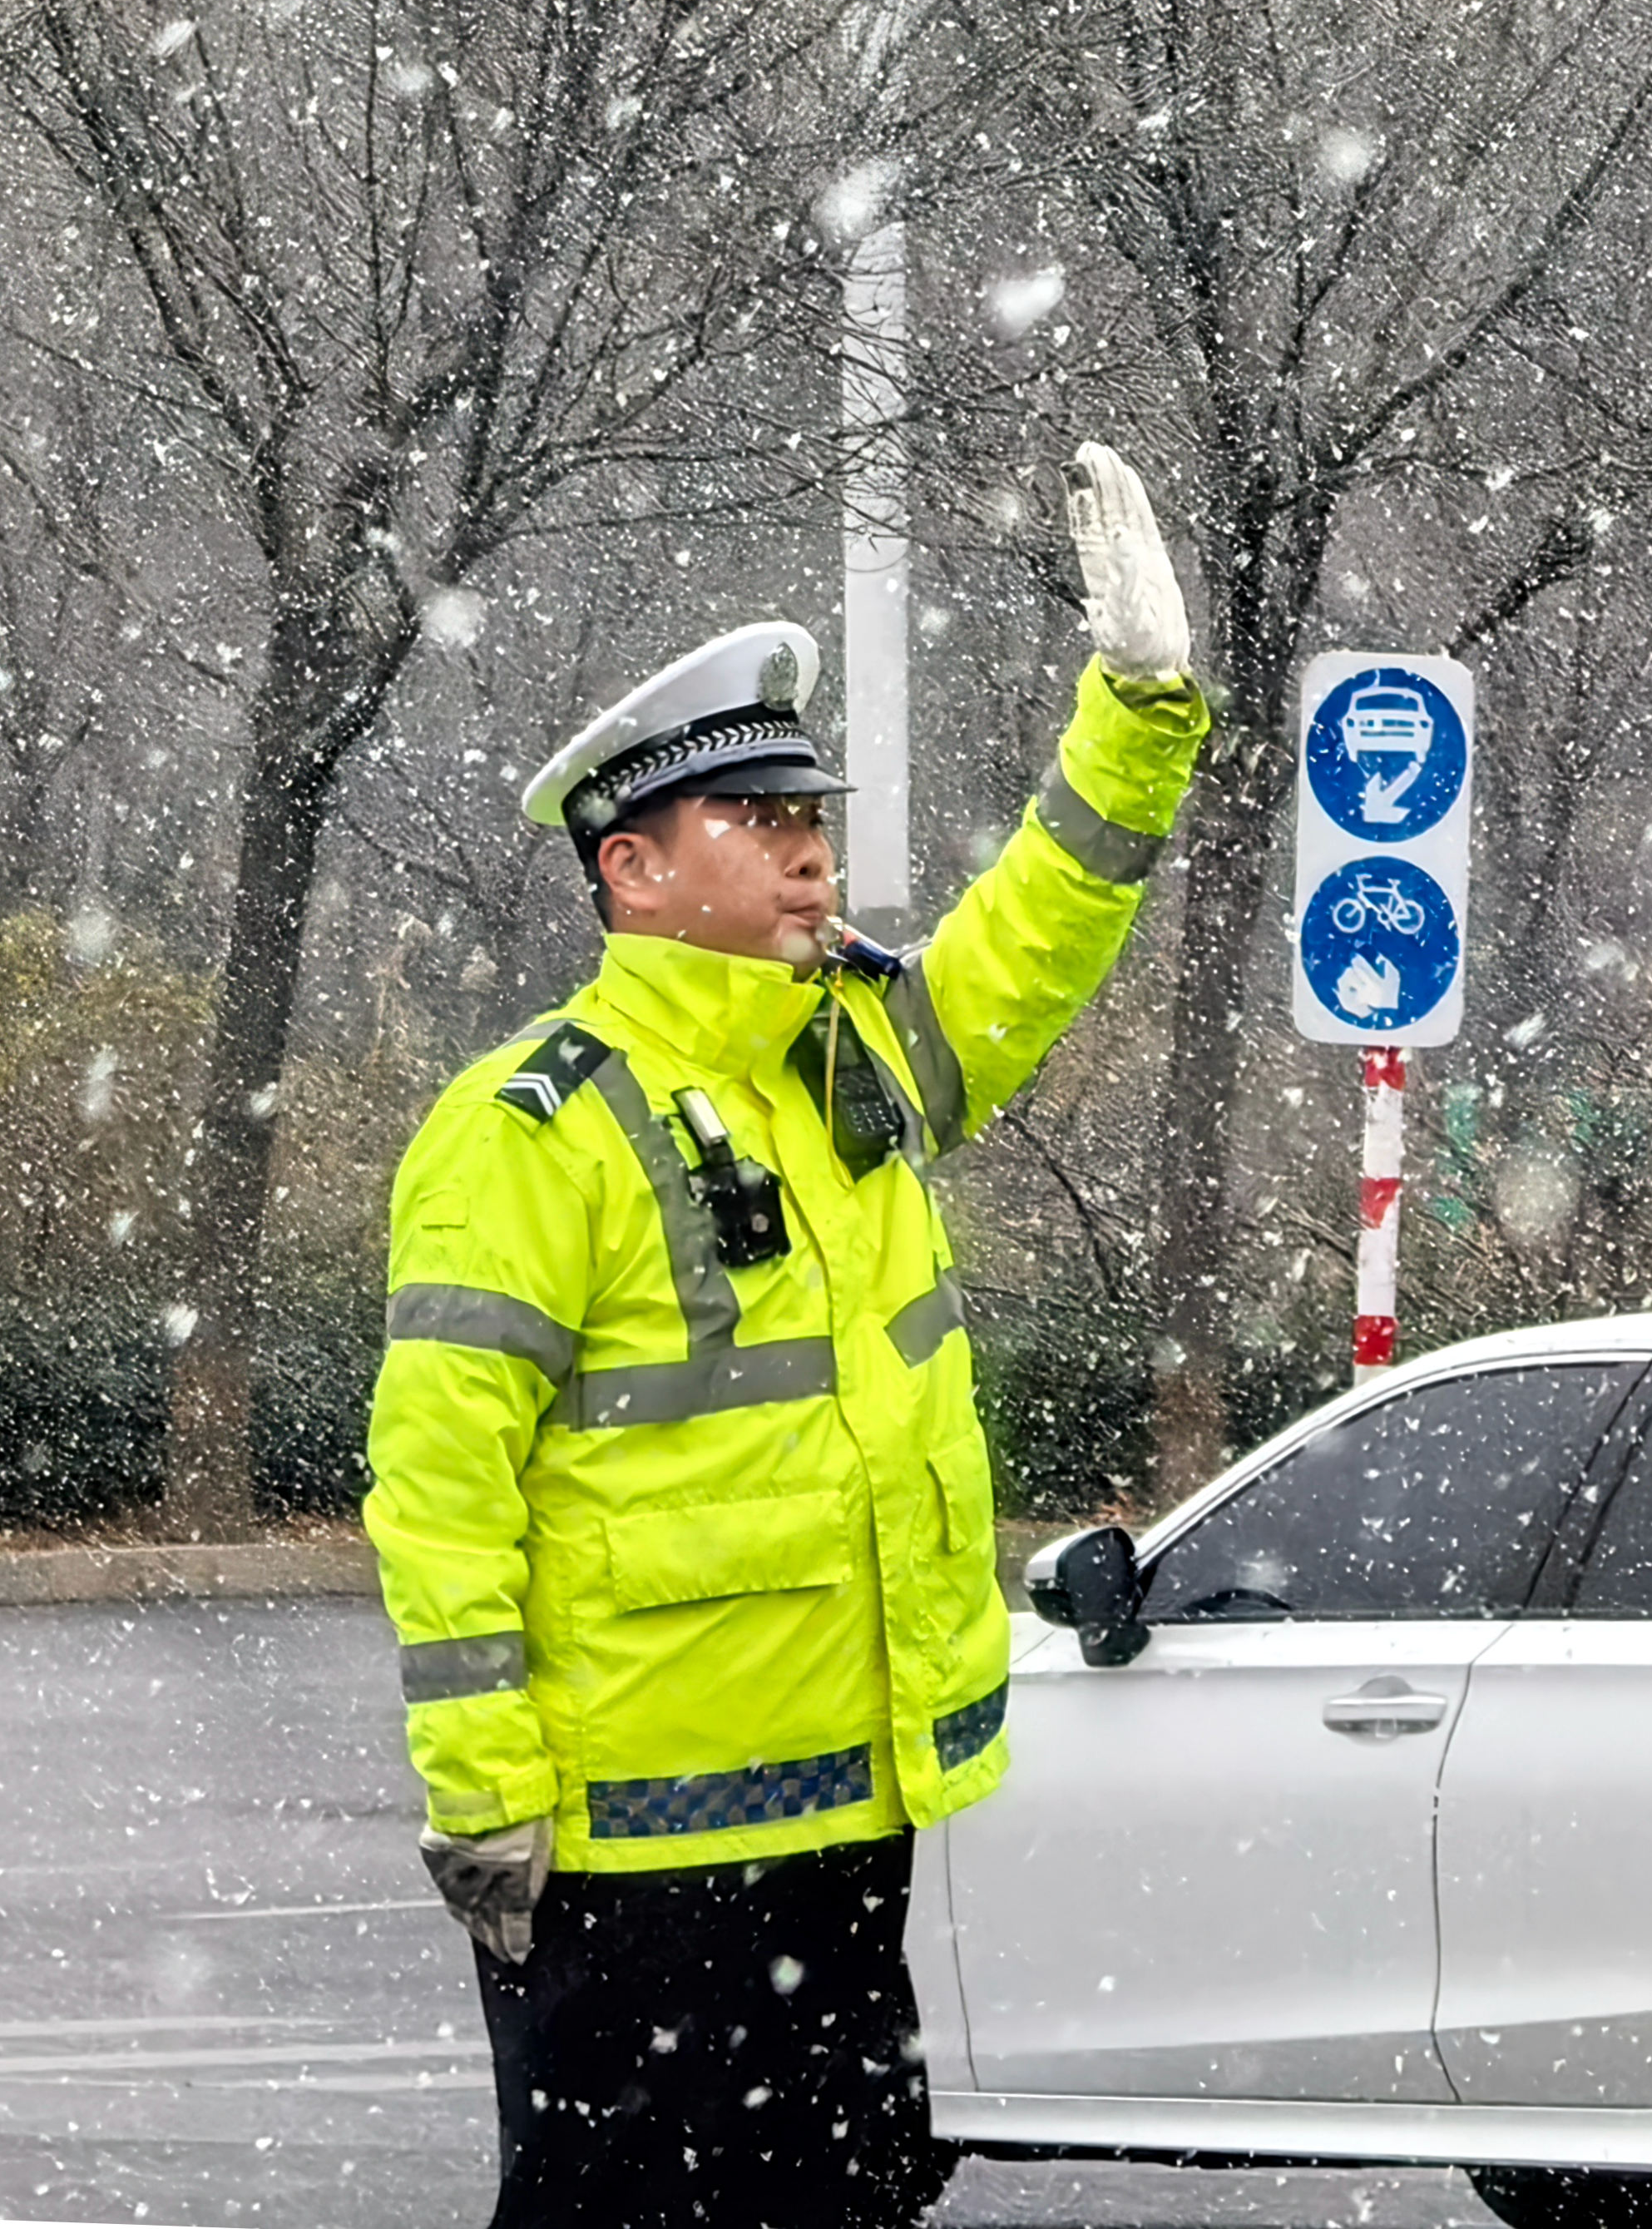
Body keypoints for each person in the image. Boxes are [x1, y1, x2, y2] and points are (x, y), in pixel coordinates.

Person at [361, 444, 1206, 2228]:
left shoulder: (852, 1061)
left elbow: (1040, 932)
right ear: (633, 866)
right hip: (632, 1848)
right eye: (760, 820)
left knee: (845, 2195)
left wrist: (1137, 713)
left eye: (814, 813)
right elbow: (442, 1489)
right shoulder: (529, 1128)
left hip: (847, 1808)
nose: (813, 846)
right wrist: (488, 1793)